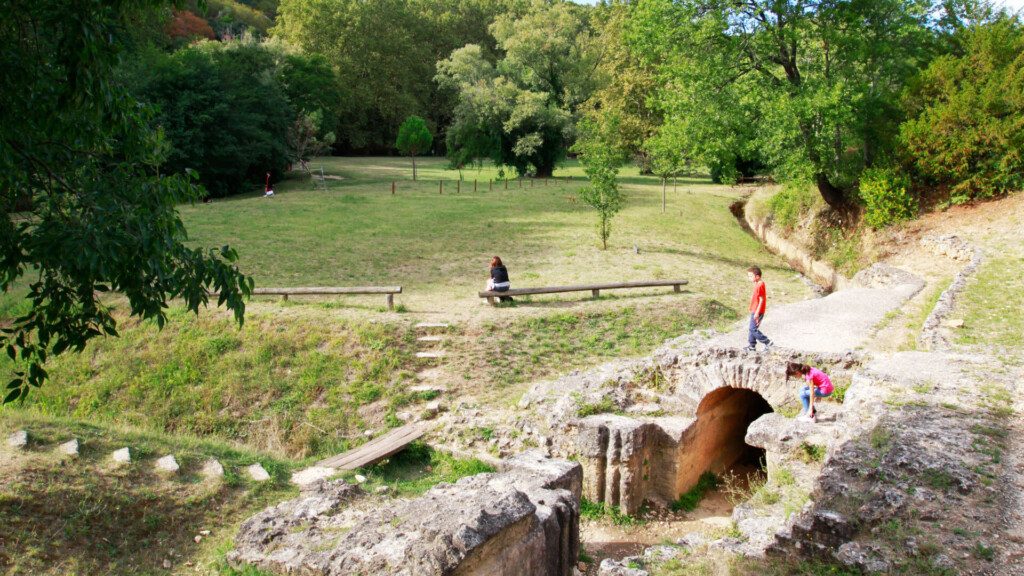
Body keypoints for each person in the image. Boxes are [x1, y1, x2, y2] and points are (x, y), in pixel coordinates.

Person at [744, 266, 773, 352]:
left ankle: (768, 343)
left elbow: (761, 300)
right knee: (751, 328)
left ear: (757, 276)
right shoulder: (758, 284)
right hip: (754, 310)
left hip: (758, 311)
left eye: (750, 276)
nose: (749, 278)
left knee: (753, 329)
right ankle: (752, 346)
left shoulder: (760, 285)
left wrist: (757, 312)